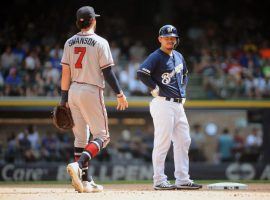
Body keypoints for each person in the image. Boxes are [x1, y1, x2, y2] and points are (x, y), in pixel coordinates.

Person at [61, 6, 128, 193]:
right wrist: (119, 93)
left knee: (81, 138)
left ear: (78, 22)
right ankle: (79, 164)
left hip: (73, 90)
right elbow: (107, 71)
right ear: (94, 21)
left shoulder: (69, 42)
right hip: (91, 90)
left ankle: (85, 181)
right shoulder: (100, 42)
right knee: (103, 136)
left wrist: (62, 99)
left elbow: (65, 72)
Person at [137, 25, 202, 190]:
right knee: (163, 142)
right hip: (163, 103)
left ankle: (182, 179)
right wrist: (153, 87)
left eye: (172, 37)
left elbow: (185, 74)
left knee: (183, 140)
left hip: (179, 105)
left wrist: (184, 89)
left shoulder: (179, 56)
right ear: (160, 39)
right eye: (166, 37)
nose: (170, 40)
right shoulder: (156, 56)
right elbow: (141, 73)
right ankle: (159, 180)